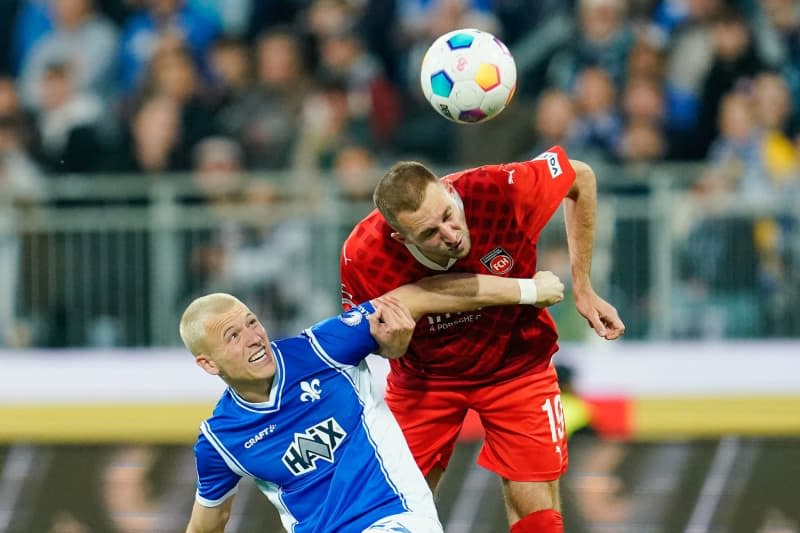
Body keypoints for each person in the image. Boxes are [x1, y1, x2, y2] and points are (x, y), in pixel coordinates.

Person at [339, 145, 625, 533]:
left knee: (538, 519)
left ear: (447, 188)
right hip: (425, 379)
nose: (450, 234)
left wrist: (584, 286)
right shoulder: (364, 256)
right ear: (399, 237)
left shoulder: (498, 188)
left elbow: (582, 177)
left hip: (516, 365)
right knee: (391, 512)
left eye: (447, 214)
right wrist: (394, 343)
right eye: (429, 233)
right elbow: (375, 344)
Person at [180, 270, 565, 533]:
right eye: (233, 335)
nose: (253, 336)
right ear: (207, 363)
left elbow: (413, 297)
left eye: (252, 322)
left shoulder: (320, 349)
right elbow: (206, 524)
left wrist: (527, 290)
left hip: (397, 518)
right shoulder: (220, 440)